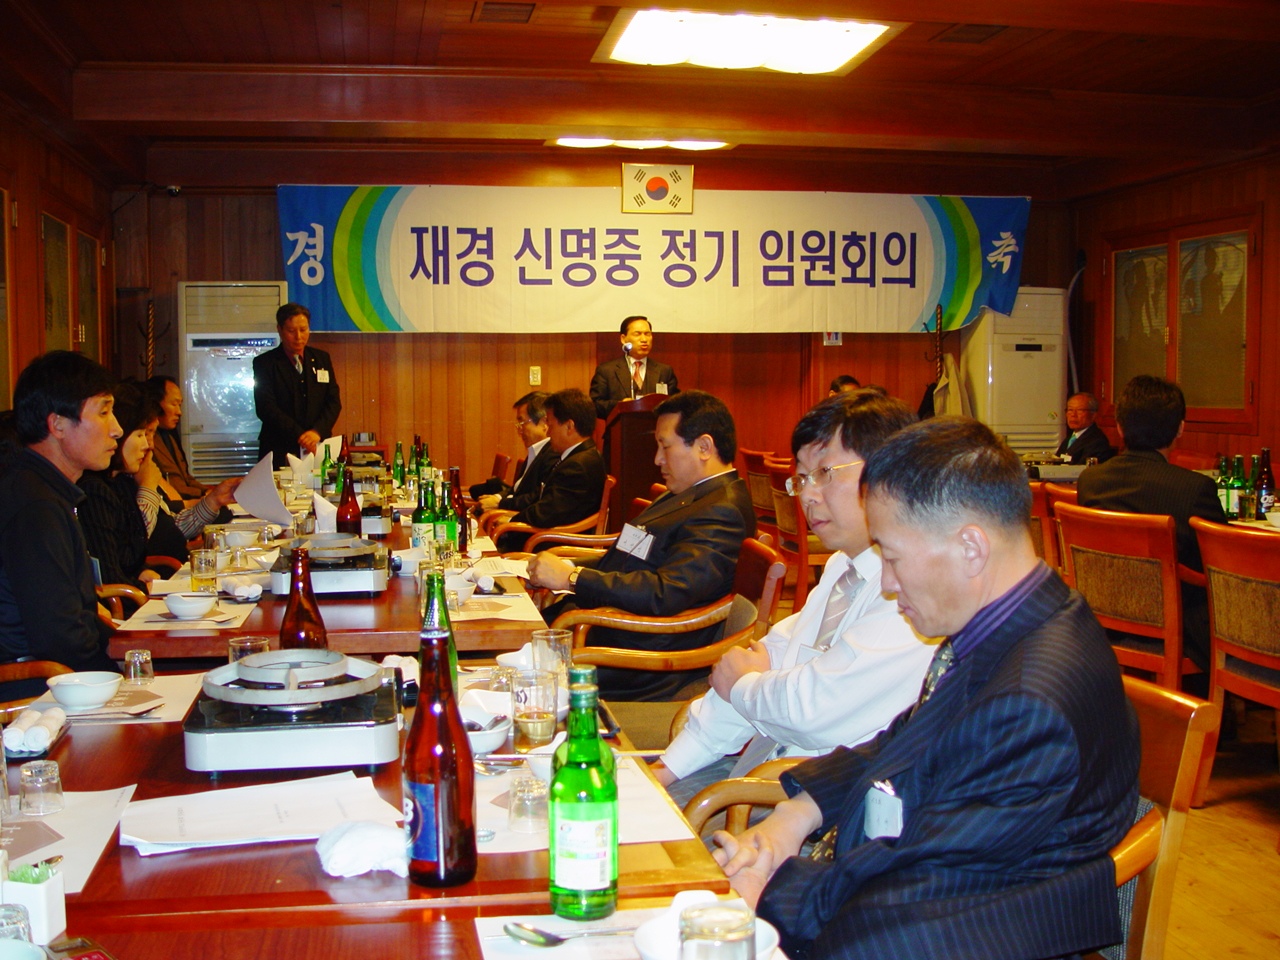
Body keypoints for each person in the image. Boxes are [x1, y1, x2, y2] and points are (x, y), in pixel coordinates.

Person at [713, 416, 1140, 960]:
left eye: (892, 558)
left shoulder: (1030, 704)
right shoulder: (1017, 616)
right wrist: (798, 814)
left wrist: (770, 891)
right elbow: (906, 739)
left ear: (971, 547)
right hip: (906, 894)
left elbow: (920, 896)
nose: (889, 585)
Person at [651, 390, 933, 804]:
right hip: (762, 769)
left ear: (890, 472)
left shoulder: (913, 591)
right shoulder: (843, 566)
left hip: (820, 805)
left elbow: (814, 711)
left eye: (825, 473)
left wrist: (745, 686)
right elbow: (770, 657)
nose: (807, 495)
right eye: (801, 478)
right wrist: (669, 768)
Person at [528, 391, 755, 700]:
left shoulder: (722, 510)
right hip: (606, 623)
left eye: (665, 446)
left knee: (509, 662)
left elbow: (665, 593)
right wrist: (567, 568)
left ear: (704, 447)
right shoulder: (685, 493)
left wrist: (572, 578)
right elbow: (627, 556)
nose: (657, 459)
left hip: (636, 653)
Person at [1076, 374, 1226, 672]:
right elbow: (1222, 566)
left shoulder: (1091, 481)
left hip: (1103, 617)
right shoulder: (1194, 489)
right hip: (1179, 626)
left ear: (1120, 427)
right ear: (1180, 428)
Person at [0, 352, 122, 685]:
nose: (117, 429)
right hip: (35, 688)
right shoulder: (35, 506)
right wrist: (121, 675)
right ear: (57, 425)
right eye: (104, 412)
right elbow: (59, 637)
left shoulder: (43, 489)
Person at [79, 382, 240, 587]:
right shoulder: (98, 489)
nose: (149, 445)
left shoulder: (124, 481)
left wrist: (214, 500)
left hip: (165, 574)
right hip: (149, 585)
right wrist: (147, 487)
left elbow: (170, 526)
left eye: (150, 435)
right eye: (141, 434)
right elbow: (128, 555)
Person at [496, 388, 605, 552]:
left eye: (551, 424)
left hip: (554, 546)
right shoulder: (578, 457)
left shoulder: (579, 465)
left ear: (569, 426)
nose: (548, 431)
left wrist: (511, 520)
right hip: (547, 538)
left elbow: (546, 513)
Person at [253, 303, 342, 468]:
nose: (299, 336)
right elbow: (266, 407)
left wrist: (316, 432)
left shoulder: (321, 359)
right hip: (279, 447)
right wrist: (301, 436)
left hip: (317, 444)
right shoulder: (265, 363)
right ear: (279, 330)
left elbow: (333, 402)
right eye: (291, 331)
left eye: (303, 329)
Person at [472, 391, 558, 512]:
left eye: (522, 423)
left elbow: (537, 498)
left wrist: (500, 503)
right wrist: (497, 497)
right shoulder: (536, 450)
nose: (519, 430)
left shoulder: (553, 454)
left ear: (544, 423)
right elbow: (517, 489)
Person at [589, 316, 679, 419]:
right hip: (621, 427)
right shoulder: (607, 371)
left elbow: (676, 403)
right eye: (637, 334)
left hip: (656, 427)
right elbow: (594, 405)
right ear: (623, 339)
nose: (644, 339)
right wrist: (620, 405)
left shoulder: (664, 371)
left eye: (647, 334)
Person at [144, 375, 206, 504]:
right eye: (174, 404)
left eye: (180, 405)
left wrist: (210, 491)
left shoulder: (169, 435)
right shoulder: (146, 440)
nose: (179, 412)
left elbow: (185, 478)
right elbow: (171, 485)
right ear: (155, 403)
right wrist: (205, 495)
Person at [1056, 392, 1115, 464]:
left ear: (1093, 415)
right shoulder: (1070, 438)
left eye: (1080, 410)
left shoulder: (1097, 442)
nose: (1073, 415)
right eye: (1070, 410)